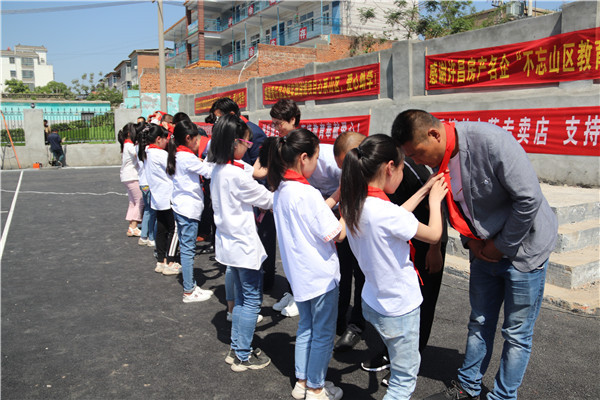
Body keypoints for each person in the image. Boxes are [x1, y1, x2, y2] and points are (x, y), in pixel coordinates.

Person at [392, 110, 558, 400]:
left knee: (516, 334)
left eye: (417, 154)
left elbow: (528, 199)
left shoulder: (491, 142)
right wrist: (472, 245)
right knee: (479, 321)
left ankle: (504, 396)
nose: (417, 162)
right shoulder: (439, 160)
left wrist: (500, 246)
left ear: (434, 134)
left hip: (523, 251)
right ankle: (468, 386)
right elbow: (461, 208)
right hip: (482, 249)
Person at [340, 134, 447, 400]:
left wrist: (423, 190)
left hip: (373, 303)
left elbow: (398, 217)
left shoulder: (355, 203)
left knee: (397, 358)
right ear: (390, 167)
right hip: (399, 308)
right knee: (402, 382)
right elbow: (433, 234)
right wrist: (434, 202)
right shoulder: (386, 213)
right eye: (401, 168)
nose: (401, 173)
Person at [266, 128, 345, 400]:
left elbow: (315, 213)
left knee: (306, 328)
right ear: (303, 158)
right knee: (322, 334)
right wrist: (350, 209)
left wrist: (337, 195)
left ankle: (302, 382)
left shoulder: (282, 189)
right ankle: (316, 387)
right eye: (315, 157)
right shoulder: (306, 193)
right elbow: (337, 233)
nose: (317, 163)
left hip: (299, 275)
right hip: (320, 276)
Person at [208, 114, 273, 372]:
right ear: (235, 143)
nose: (249, 147)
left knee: (242, 300)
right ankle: (242, 354)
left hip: (229, 244)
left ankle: (237, 346)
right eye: (247, 143)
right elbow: (268, 199)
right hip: (243, 246)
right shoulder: (237, 176)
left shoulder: (219, 168)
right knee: (251, 301)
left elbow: (250, 170)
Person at [166, 120, 215, 303]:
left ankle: (191, 285)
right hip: (188, 209)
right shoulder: (186, 158)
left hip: (181, 206)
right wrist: (214, 158)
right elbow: (209, 171)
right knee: (188, 250)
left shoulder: (178, 154)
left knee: (187, 248)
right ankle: (188, 290)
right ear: (188, 138)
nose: (198, 143)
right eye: (197, 139)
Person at [331, 131, 368, 351]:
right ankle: (338, 318)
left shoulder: (376, 172)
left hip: (363, 232)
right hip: (346, 227)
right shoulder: (346, 173)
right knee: (341, 273)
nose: (344, 171)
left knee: (362, 278)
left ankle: (357, 325)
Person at [142, 124, 181, 276]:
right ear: (159, 139)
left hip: (157, 197)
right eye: (165, 139)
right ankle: (170, 261)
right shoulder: (160, 155)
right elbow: (175, 170)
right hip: (168, 196)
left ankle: (161, 260)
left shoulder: (147, 152)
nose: (167, 141)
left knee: (162, 229)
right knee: (174, 229)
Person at [118, 123, 144, 237]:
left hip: (127, 176)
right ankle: (134, 226)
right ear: (129, 134)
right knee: (140, 201)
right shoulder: (129, 146)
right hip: (132, 176)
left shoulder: (126, 145)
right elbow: (137, 154)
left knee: (133, 201)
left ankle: (131, 226)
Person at [136, 123, 157, 248]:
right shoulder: (151, 151)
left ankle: (144, 236)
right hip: (149, 183)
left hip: (142, 183)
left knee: (148, 211)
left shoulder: (138, 148)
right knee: (153, 212)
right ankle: (151, 236)